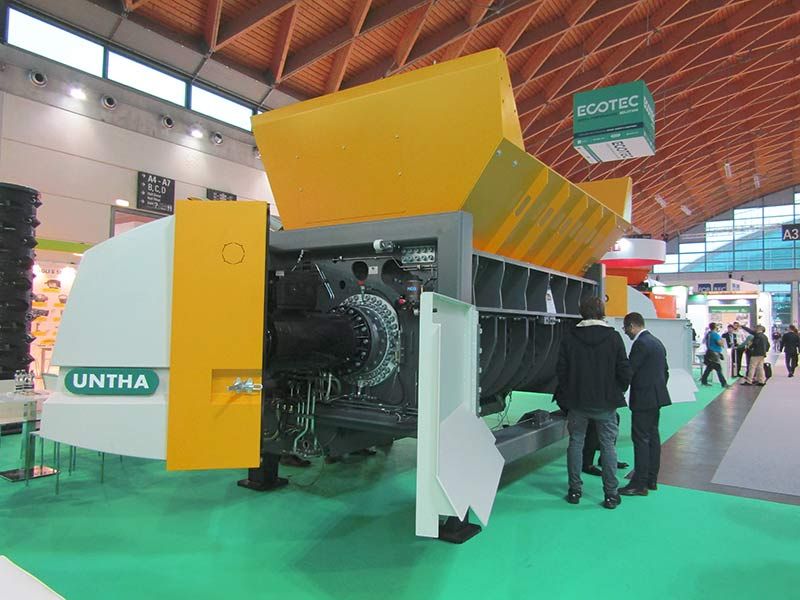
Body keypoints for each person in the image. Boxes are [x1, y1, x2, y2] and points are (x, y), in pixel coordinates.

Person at [555, 296, 631, 509]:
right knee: (608, 446)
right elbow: (624, 370)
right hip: (606, 402)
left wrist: (570, 393)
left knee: (576, 443)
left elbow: (561, 371)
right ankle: (611, 494)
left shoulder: (570, 337)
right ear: (602, 312)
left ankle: (574, 490)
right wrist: (616, 390)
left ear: (582, 312)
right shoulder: (613, 337)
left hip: (578, 402)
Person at [619, 312, 672, 496]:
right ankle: (651, 479)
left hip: (643, 399)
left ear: (632, 326)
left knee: (641, 439)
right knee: (653, 438)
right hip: (656, 398)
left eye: (626, 328)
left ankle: (638, 483)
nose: (626, 332)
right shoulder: (657, 342)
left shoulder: (640, 344)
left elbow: (630, 371)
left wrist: (618, 389)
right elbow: (665, 371)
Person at [700, 323, 728, 387]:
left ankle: (704, 381)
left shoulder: (708, 334)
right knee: (718, 369)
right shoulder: (715, 335)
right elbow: (720, 343)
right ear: (715, 327)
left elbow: (704, 341)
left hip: (709, 352)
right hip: (714, 354)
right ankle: (723, 383)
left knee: (709, 368)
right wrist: (722, 341)